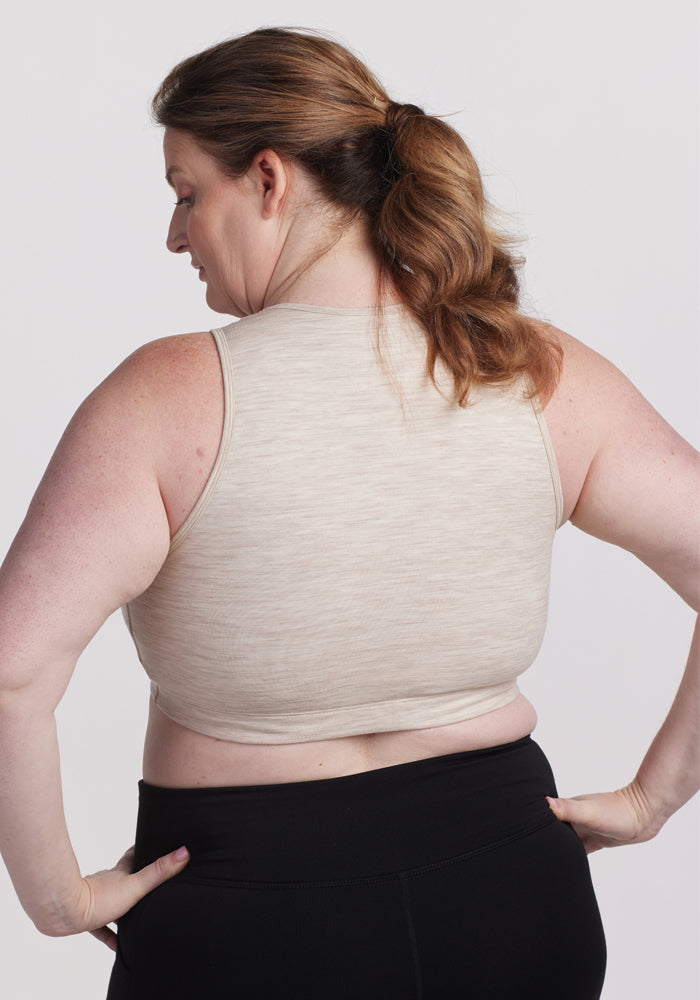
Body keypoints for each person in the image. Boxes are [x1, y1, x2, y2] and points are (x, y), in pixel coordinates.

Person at [0, 25, 697, 1000]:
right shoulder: (532, 370)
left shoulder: (166, 398)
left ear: (270, 180)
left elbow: (12, 668)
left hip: (246, 919)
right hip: (508, 897)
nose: (174, 234)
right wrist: (650, 799)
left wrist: (54, 897)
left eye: (186, 193)